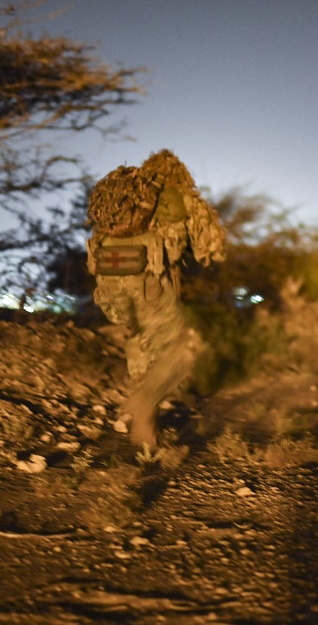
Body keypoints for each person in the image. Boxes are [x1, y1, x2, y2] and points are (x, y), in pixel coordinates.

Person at [86, 150, 226, 450]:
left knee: (140, 339)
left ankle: (143, 423)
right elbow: (212, 248)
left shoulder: (126, 204)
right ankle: (143, 404)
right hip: (150, 288)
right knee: (182, 348)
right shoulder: (178, 200)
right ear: (181, 173)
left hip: (109, 290)